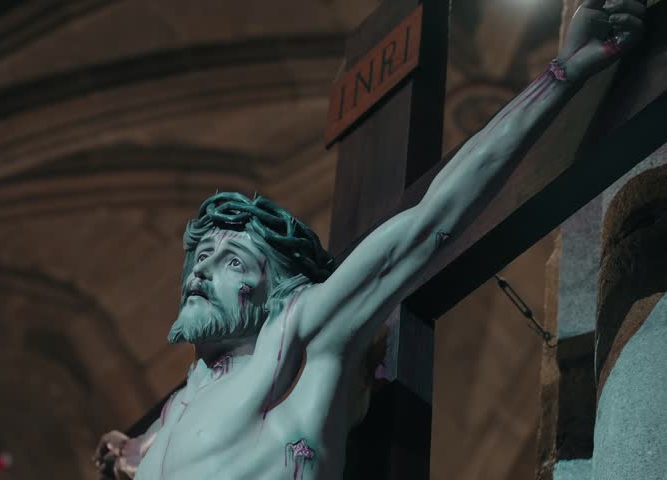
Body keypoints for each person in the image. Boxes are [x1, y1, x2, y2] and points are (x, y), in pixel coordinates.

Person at [95, 1, 646, 478]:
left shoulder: (302, 337)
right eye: (199, 255)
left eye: (231, 259)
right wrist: (124, 448)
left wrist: (563, 74)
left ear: (277, 291)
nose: (198, 271)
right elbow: (130, 455)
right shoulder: (167, 423)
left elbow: (433, 218)